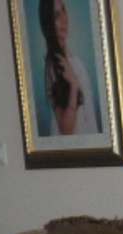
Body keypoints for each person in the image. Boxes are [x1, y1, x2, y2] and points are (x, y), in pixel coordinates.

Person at [39, 0, 100, 136]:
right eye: (56, 15)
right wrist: (73, 85)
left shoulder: (74, 60)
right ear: (48, 24)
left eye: (64, 10)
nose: (64, 19)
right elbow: (66, 129)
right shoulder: (53, 66)